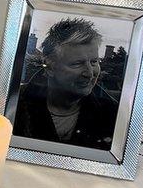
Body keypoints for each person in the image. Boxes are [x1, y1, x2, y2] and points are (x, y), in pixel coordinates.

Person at [14, 18, 119, 150]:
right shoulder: (15, 104)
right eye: (77, 63)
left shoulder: (112, 114)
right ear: (50, 67)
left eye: (94, 62)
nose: (90, 73)